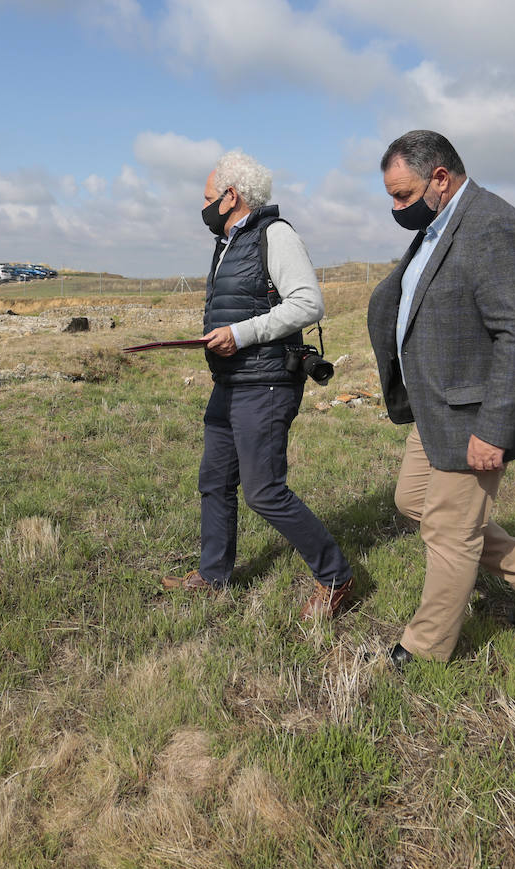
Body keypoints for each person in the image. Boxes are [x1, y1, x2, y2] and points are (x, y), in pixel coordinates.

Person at [367, 130, 515, 667]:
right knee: (413, 502)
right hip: (436, 406)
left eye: (402, 195)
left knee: (449, 529)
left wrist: (495, 429)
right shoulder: (439, 225)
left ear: (440, 178)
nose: (396, 207)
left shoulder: (494, 226)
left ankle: (425, 649)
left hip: (475, 413)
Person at [161, 149, 355, 620]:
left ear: (232, 196)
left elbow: (309, 303)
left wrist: (240, 334)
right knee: (214, 482)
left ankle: (337, 577)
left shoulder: (275, 235)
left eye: (208, 198)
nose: (203, 207)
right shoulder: (228, 242)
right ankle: (213, 576)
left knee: (264, 491)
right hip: (229, 380)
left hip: (265, 382)